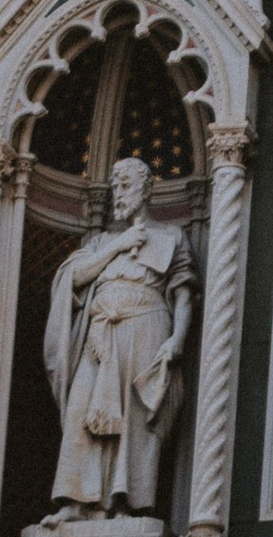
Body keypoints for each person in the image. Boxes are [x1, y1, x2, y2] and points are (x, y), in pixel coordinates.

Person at [41, 153, 194, 525]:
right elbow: (73, 280)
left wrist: (177, 338)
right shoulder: (101, 241)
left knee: (136, 420)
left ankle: (126, 503)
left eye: (125, 186)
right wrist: (120, 244)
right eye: (114, 188)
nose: (118, 195)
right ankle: (75, 502)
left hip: (145, 331)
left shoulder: (172, 237)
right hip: (99, 337)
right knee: (83, 412)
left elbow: (184, 293)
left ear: (146, 190)